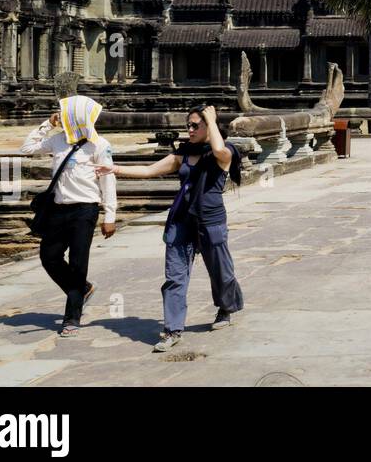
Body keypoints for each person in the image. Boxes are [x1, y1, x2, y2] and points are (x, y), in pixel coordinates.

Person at [99, 104, 243, 352]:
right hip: (181, 220)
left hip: (211, 221)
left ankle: (226, 307)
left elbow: (218, 147)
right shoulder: (183, 154)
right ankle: (172, 329)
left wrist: (211, 117)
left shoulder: (224, 153)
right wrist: (116, 169)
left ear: (209, 126)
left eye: (195, 125)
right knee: (175, 277)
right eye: (188, 125)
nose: (189, 130)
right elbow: (149, 170)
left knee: (221, 272)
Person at [20, 95, 118, 337]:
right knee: (49, 256)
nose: (61, 116)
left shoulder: (99, 144)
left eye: (64, 113)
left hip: (85, 210)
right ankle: (82, 289)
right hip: (58, 207)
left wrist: (110, 215)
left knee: (77, 262)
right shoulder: (58, 140)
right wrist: (47, 123)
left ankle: (71, 317)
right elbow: (27, 148)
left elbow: (108, 179)